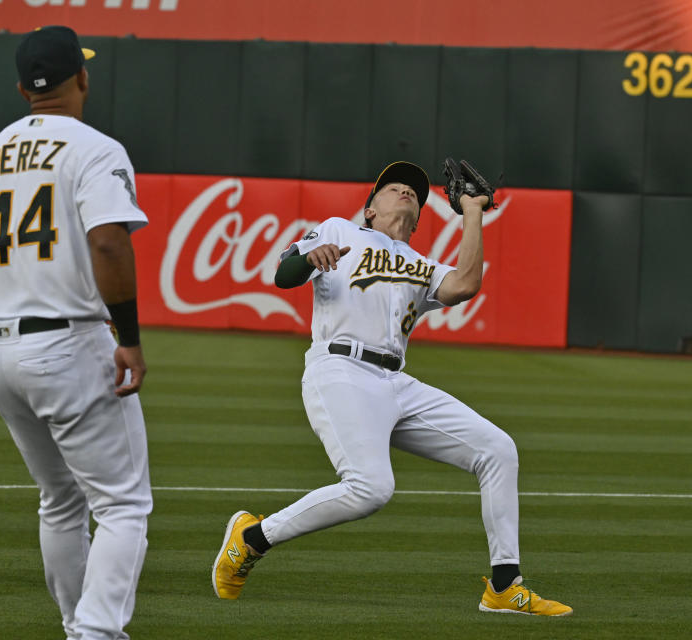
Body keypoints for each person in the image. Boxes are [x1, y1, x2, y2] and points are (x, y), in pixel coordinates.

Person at [211, 161, 572, 616]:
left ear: (419, 219)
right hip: (339, 368)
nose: (405, 191)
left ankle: (504, 586)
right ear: (369, 208)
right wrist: (308, 259)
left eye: (413, 192)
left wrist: (474, 212)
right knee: (370, 488)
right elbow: (284, 275)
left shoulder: (421, 265)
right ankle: (253, 538)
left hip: (395, 382)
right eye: (393, 187)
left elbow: (466, 284)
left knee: (497, 449)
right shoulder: (339, 229)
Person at [0, 26, 152, 639]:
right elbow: (109, 239)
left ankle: (74, 625)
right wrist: (130, 338)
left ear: (21, 87)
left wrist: (9, 295)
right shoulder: (94, 148)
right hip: (66, 344)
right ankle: (94, 633)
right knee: (123, 506)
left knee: (60, 500)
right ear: (80, 77)